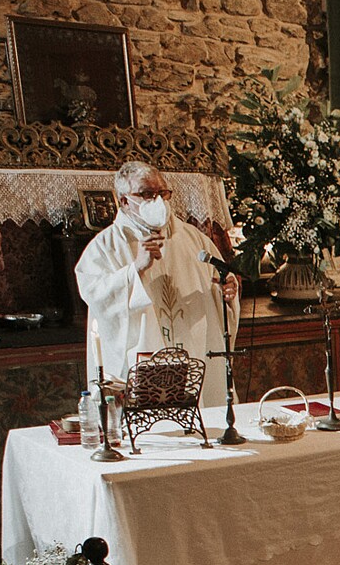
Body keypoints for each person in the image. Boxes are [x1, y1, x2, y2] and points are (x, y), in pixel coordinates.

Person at [75, 161, 239, 406]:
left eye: (162, 193)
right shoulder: (106, 245)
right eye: (146, 194)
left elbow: (220, 279)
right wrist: (135, 270)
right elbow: (95, 295)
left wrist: (227, 290)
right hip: (142, 356)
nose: (158, 201)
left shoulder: (193, 238)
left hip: (194, 350)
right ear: (124, 201)